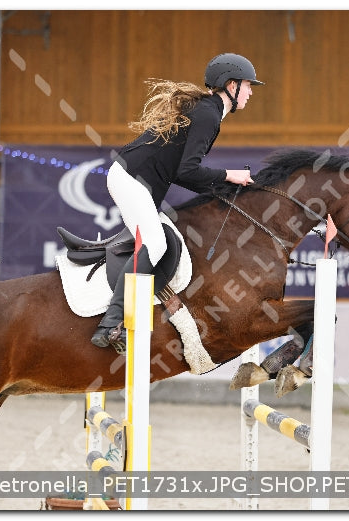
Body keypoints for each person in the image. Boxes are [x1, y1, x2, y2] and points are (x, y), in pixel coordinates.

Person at [91, 53, 264, 352]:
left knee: (159, 241)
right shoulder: (209, 115)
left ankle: (121, 319)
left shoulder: (209, 112)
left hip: (133, 177)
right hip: (130, 177)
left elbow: (182, 173)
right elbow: (187, 171)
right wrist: (229, 175)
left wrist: (222, 184)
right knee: (155, 244)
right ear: (231, 85)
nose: (250, 92)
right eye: (248, 85)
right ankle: (111, 322)